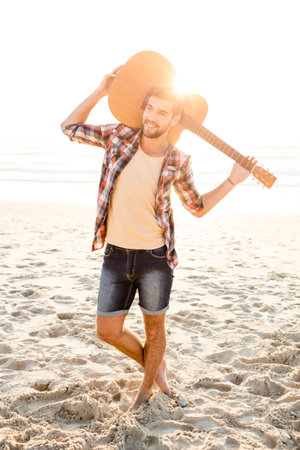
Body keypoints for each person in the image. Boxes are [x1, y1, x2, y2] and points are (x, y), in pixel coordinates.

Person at [61, 66, 256, 411]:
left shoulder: (179, 160)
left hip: (155, 258)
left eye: (161, 112)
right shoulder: (118, 136)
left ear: (176, 118)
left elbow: (196, 207)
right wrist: (99, 91)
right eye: (149, 107)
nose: (151, 117)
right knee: (107, 331)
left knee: (155, 332)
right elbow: (70, 128)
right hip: (116, 255)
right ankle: (155, 364)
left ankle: (145, 391)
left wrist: (232, 181)